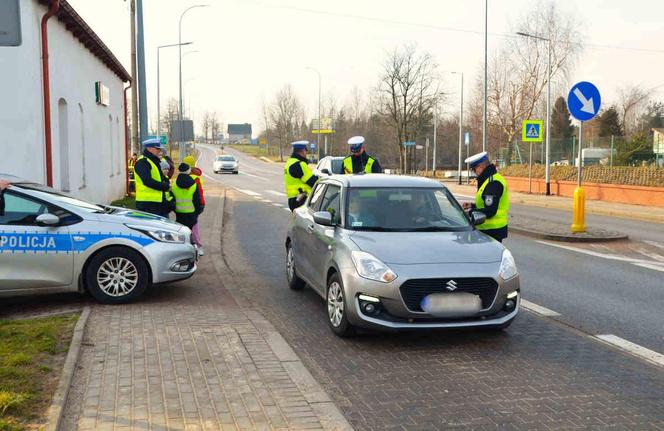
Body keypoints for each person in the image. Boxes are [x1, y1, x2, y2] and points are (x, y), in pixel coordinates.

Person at [462, 151, 510, 242]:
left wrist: (470, 212)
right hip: (488, 230)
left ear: (481, 166)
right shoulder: (488, 180)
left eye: (474, 169)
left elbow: (490, 211)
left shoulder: (493, 183)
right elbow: (487, 205)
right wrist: (472, 206)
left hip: (492, 231)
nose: (474, 172)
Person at [172, 163, 205, 255]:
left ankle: (181, 249)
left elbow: (172, 197)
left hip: (179, 212)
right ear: (188, 171)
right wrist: (198, 211)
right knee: (193, 231)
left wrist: (175, 208)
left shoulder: (174, 183)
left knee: (181, 231)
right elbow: (197, 200)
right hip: (191, 212)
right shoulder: (193, 184)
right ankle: (197, 248)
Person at [133, 138, 172, 217]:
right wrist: (165, 186)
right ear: (149, 148)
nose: (159, 151)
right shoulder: (143, 162)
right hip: (147, 205)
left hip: (157, 204)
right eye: (157, 149)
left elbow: (159, 178)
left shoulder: (153, 161)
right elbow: (148, 181)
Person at [284, 141, 319, 211]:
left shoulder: (289, 162)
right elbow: (313, 182)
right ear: (302, 151)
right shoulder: (299, 164)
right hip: (302, 200)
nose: (306, 153)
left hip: (293, 200)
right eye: (306, 150)